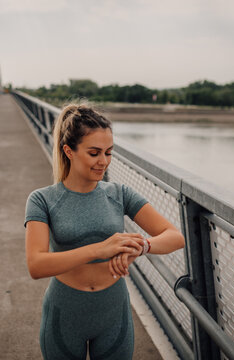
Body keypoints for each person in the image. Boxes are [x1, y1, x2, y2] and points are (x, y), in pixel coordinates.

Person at [24, 103, 185, 359]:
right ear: (69, 151)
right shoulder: (42, 200)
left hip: (114, 312)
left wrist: (141, 246)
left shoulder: (119, 194)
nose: (104, 162)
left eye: (109, 153)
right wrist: (100, 249)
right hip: (64, 313)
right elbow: (36, 265)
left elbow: (175, 237)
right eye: (94, 153)